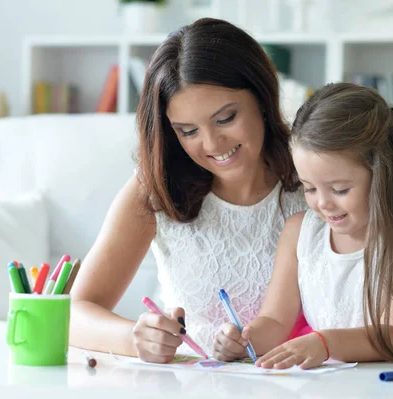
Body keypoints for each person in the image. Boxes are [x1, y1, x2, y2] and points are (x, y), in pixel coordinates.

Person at [69, 18, 308, 364]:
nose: (212, 144)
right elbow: (76, 313)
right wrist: (136, 338)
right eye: (187, 130)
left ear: (262, 97)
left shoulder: (313, 178)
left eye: (226, 118)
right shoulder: (155, 189)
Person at [213, 82, 393, 368]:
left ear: (381, 176)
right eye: (309, 188)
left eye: (339, 190)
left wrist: (325, 343)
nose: (323, 203)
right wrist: (245, 340)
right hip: (331, 372)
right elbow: (275, 321)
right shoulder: (299, 233)